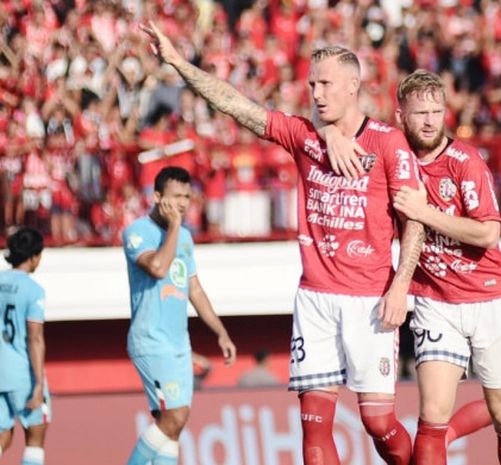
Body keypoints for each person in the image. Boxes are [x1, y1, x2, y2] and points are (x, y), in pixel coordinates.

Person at [141, 22, 425, 465]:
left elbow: (415, 224)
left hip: (370, 299)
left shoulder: (389, 144)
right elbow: (237, 105)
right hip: (315, 298)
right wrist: (179, 63)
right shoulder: (305, 136)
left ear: (353, 86)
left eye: (326, 83)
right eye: (312, 84)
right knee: (313, 428)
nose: (316, 93)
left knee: (378, 423)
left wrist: (401, 286)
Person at [324, 69, 501, 465]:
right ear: (401, 115)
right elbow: (341, 125)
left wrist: (425, 213)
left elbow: (488, 233)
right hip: (436, 302)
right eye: (421, 113)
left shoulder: (465, 162)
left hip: (490, 298)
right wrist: (332, 133)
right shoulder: (391, 153)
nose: (431, 120)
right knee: (431, 419)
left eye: (437, 111)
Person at [122, 166, 236, 465]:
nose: (183, 204)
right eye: (176, 196)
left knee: (173, 426)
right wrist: (173, 228)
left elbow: (194, 290)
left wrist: (220, 332)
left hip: (179, 344)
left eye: (187, 196)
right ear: (157, 197)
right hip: (150, 340)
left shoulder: (185, 237)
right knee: (175, 416)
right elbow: (158, 267)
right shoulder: (137, 232)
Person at [0, 227, 50, 465]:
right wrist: (39, 384)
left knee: (2, 435)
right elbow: (35, 338)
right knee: (36, 434)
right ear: (35, 256)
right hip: (22, 374)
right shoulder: (34, 290)